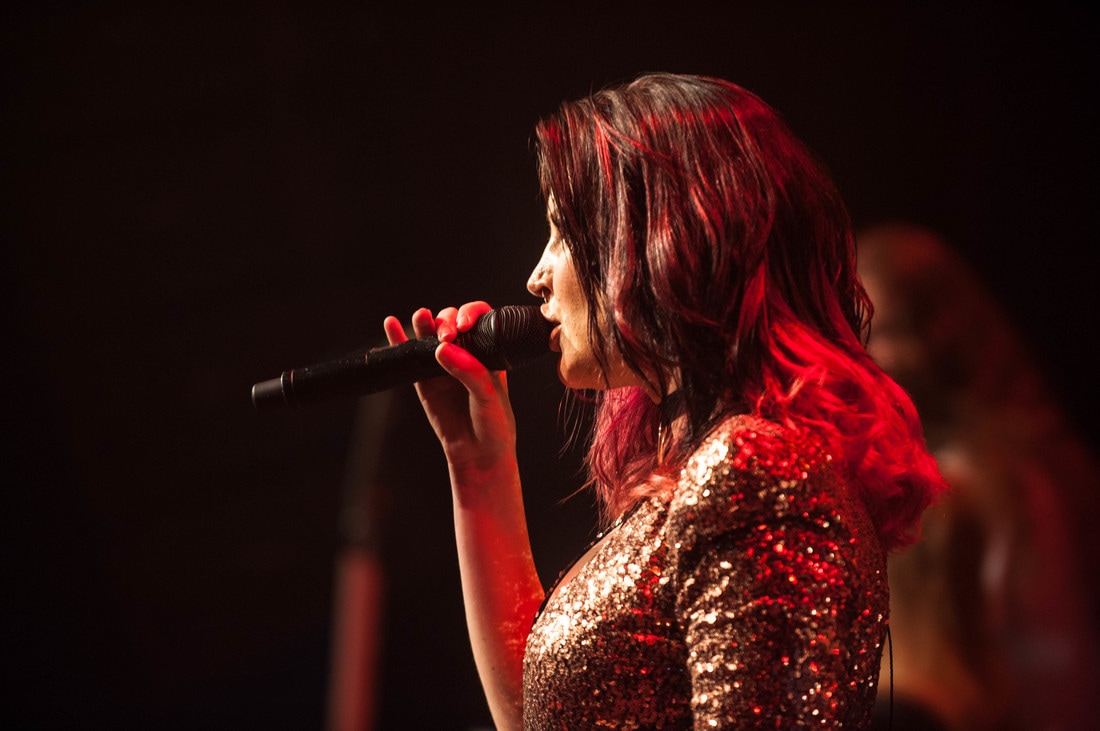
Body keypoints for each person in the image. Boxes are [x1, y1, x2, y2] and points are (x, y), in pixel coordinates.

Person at [382, 73, 945, 729]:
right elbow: (538, 720)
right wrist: (477, 465)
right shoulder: (715, 463)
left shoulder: (754, 468)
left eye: (563, 233)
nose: (537, 276)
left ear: (654, 239)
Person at [858, 223, 1100, 731]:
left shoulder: (1004, 479)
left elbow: (1055, 665)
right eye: (858, 334)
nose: (868, 358)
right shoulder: (897, 471)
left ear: (939, 335)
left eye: (887, 331)